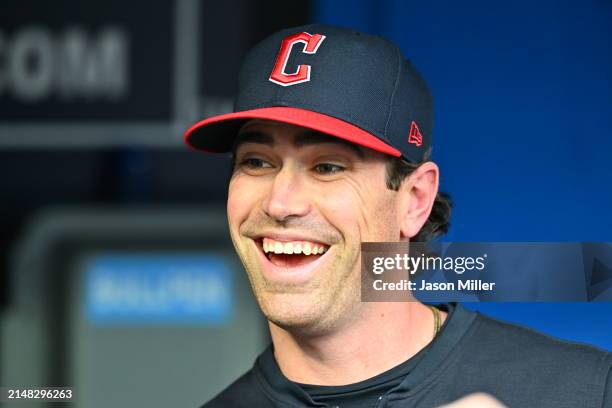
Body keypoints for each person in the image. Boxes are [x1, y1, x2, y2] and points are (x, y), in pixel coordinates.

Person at [184, 24, 612, 408]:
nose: (280, 203)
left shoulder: (588, 391)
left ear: (415, 200)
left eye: (327, 167)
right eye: (257, 162)